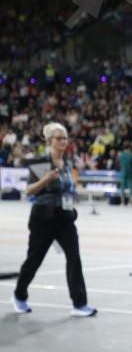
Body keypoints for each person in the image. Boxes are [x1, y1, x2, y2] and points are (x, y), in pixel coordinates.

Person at [12, 122, 97, 317]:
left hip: (65, 218)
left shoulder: (67, 163)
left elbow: (69, 188)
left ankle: (79, 303)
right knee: (34, 259)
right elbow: (28, 190)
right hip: (43, 217)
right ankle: (19, 295)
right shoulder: (40, 163)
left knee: (74, 258)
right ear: (50, 140)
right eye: (59, 138)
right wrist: (46, 179)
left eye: (65, 138)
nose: (63, 141)